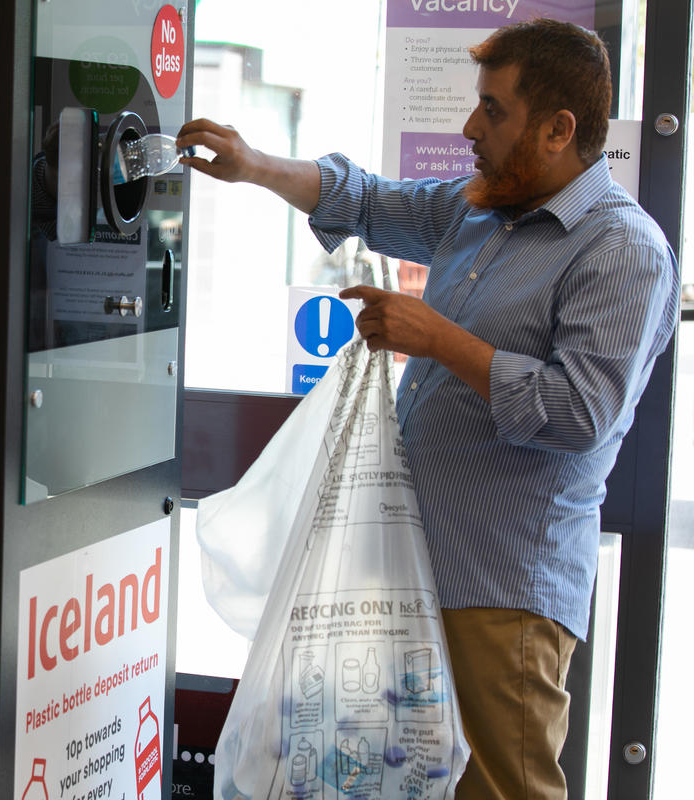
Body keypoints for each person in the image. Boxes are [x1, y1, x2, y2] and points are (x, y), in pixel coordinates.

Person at [178, 18, 679, 800]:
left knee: (498, 787)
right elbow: (370, 200)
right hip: (407, 576)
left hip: (501, 588)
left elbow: (579, 414)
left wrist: (440, 340)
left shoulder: (623, 251)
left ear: (558, 129)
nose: (470, 128)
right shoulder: (478, 212)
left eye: (493, 111)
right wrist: (254, 166)